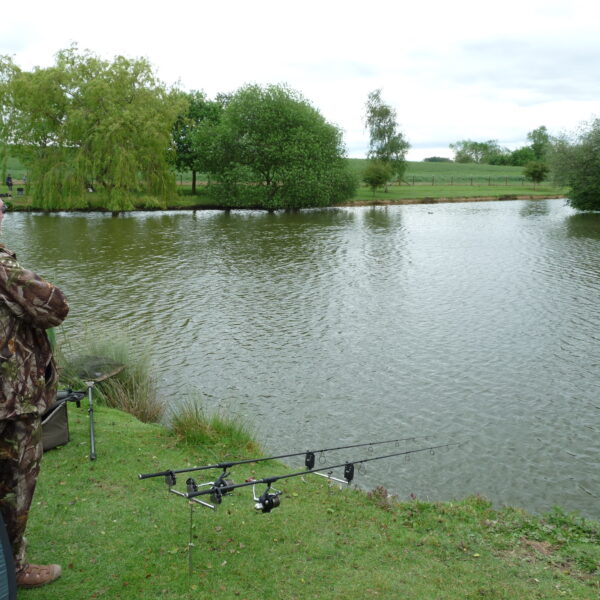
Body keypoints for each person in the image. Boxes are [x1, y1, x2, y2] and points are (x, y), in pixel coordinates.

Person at [0, 198, 69, 588]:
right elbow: (56, 306)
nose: (3, 212)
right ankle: (14, 570)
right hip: (10, 403)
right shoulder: (4, 267)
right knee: (15, 488)